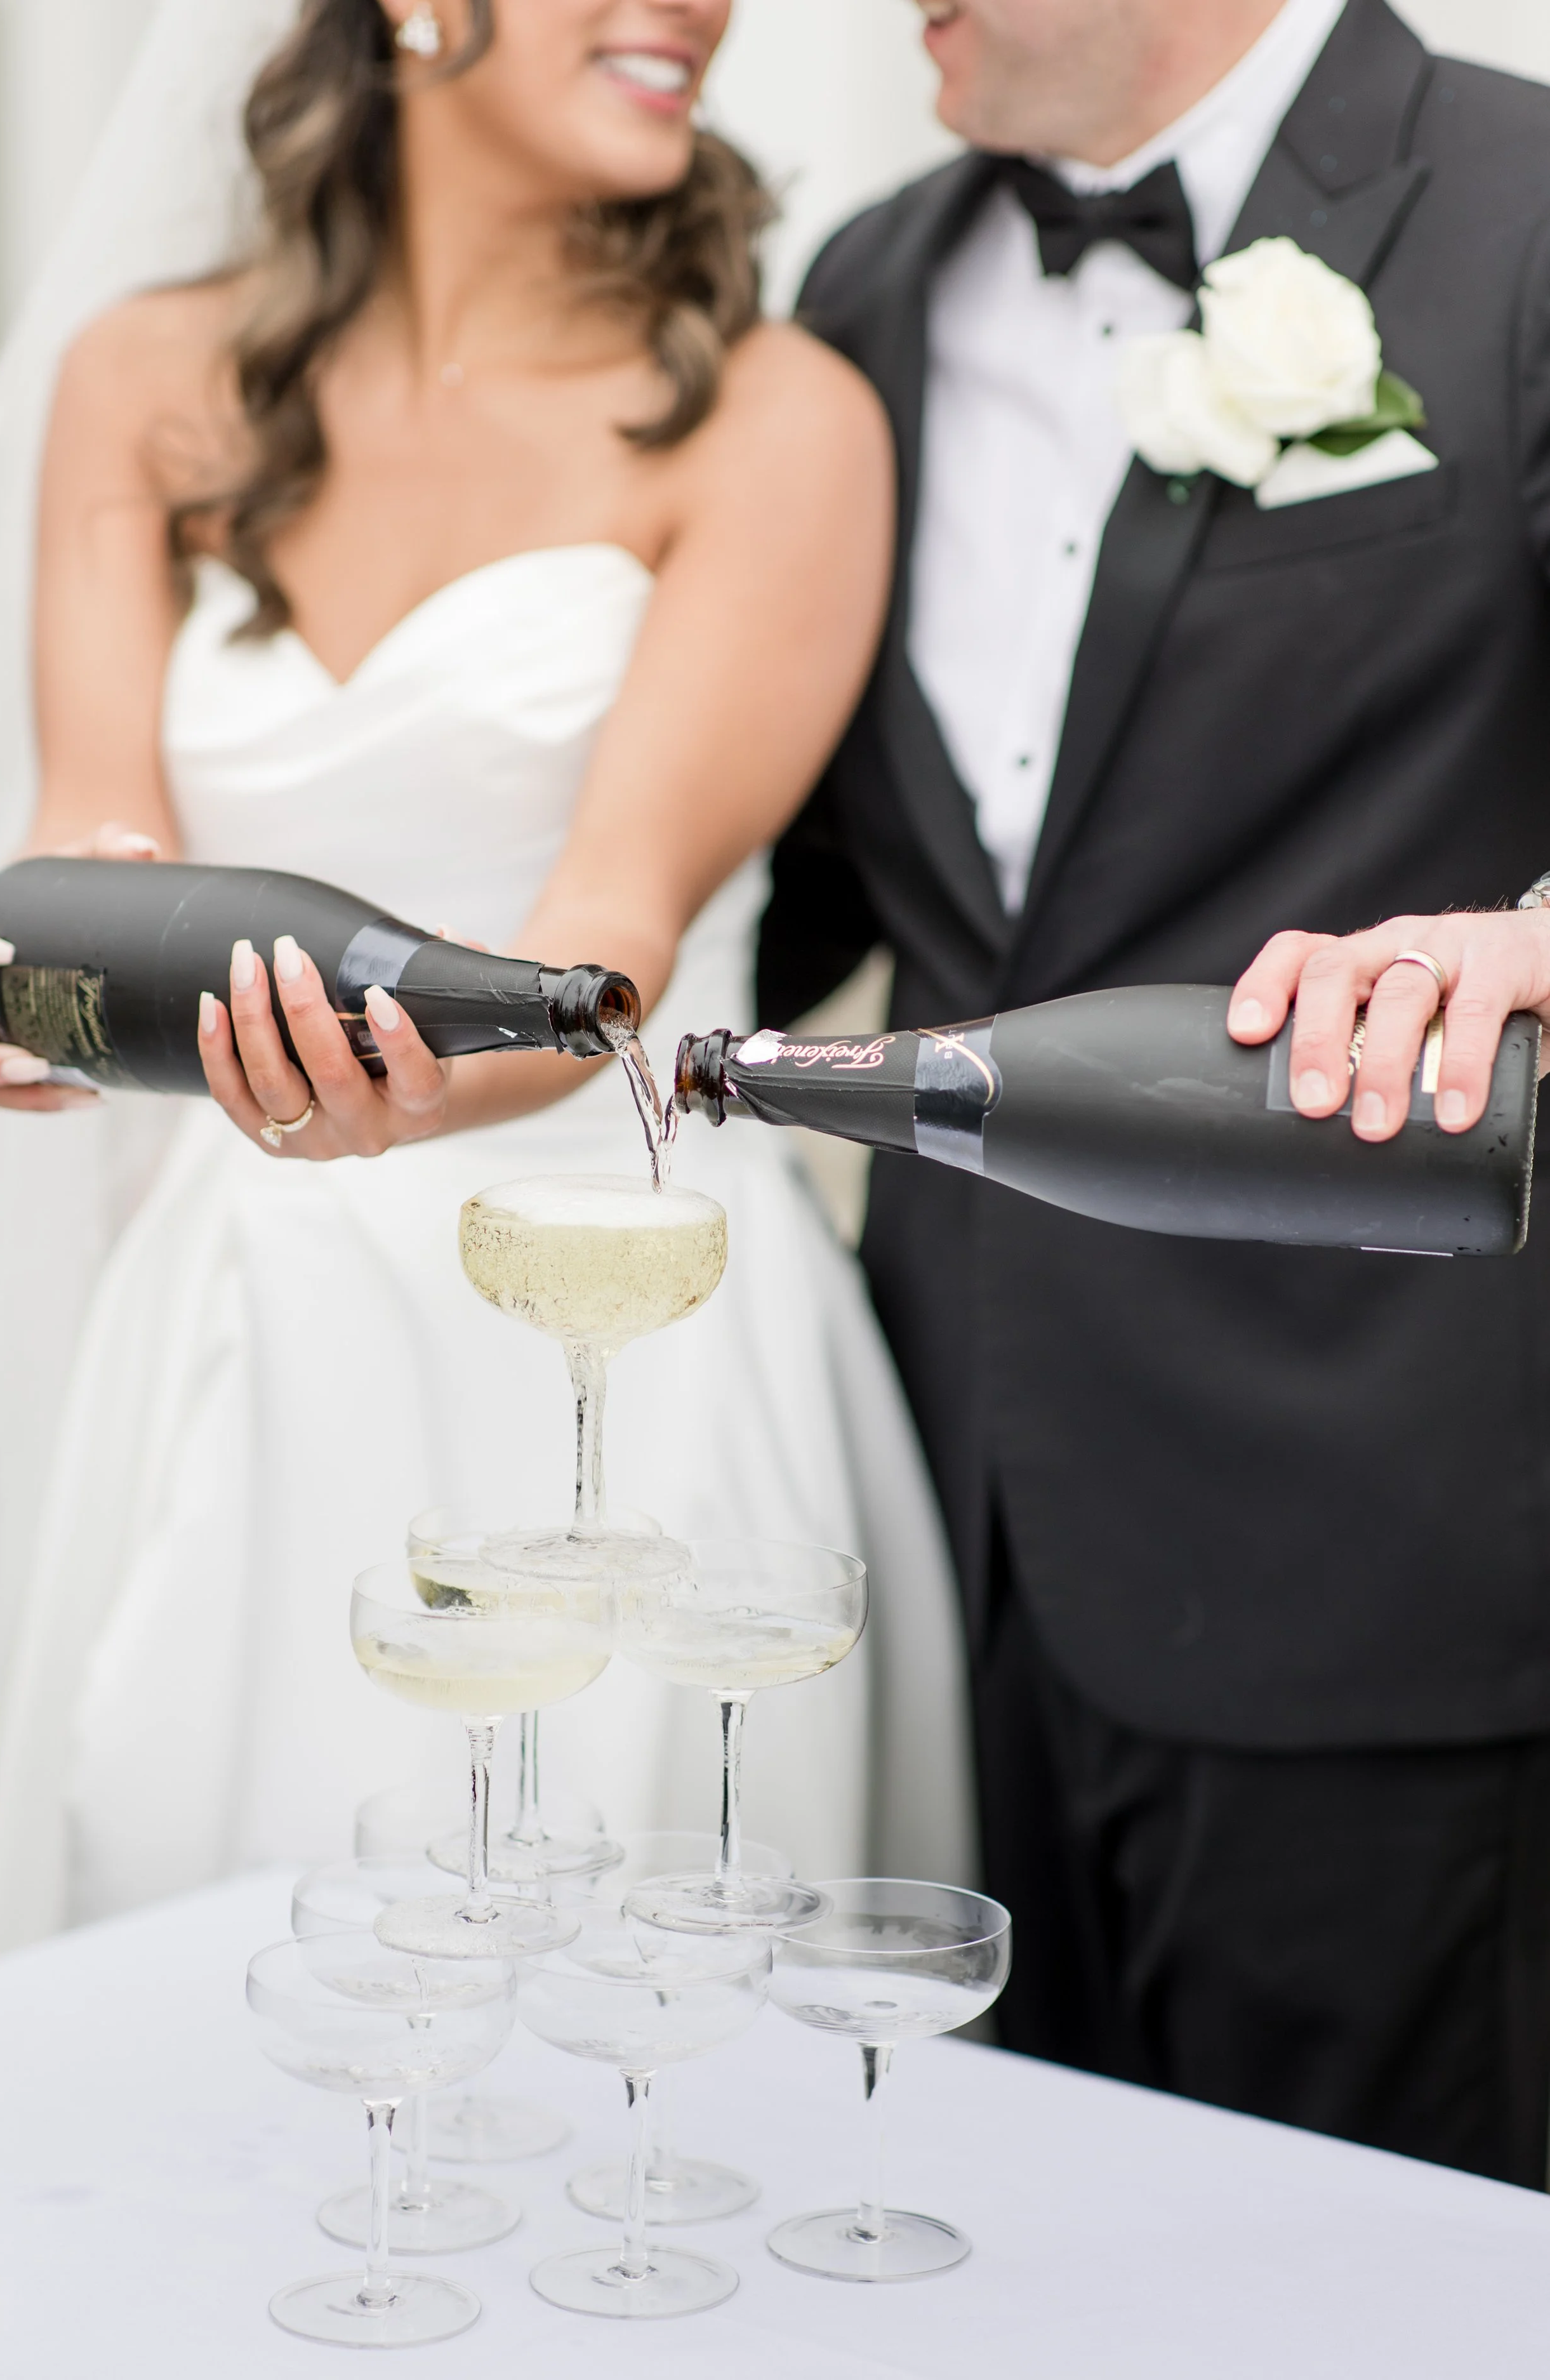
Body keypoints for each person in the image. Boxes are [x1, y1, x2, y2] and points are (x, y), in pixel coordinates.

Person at [0, 0, 977, 1955]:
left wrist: (399, 1087)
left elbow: (608, 949)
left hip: (629, 1318)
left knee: (643, 1999)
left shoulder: (780, 417)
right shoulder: (145, 378)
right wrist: (39, 1006)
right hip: (255, 1318)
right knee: (226, 1962)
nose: (697, 7)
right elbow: (107, 843)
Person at [760, 0, 1550, 2185]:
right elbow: (776, 881)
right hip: (928, 1526)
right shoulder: (865, 288)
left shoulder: (1522, 205)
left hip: (1366, 1536)